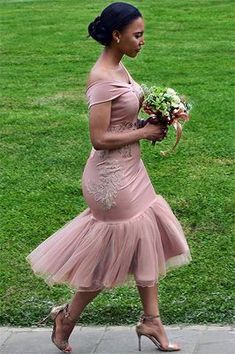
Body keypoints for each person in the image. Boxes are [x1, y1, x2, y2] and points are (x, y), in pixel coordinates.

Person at [26, 2, 192, 353]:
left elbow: (121, 122)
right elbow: (99, 139)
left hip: (132, 170)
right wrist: (143, 134)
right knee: (108, 256)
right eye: (138, 34)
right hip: (110, 181)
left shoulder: (118, 68)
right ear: (117, 36)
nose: (142, 40)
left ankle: (152, 322)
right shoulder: (102, 79)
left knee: (145, 237)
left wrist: (149, 123)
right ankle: (66, 318)